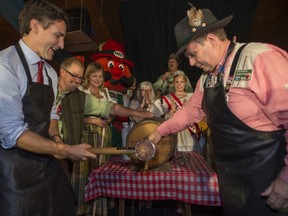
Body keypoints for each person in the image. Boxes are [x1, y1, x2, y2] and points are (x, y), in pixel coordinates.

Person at [148, 4, 288, 216]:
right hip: (231, 183)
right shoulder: (207, 78)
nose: (192, 63)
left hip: (269, 182)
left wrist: (286, 180)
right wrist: (159, 132)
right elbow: (189, 112)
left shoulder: (259, 58)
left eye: (193, 54)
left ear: (211, 40)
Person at [0, 1, 96, 216]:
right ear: (35, 26)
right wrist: (65, 150)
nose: (62, 45)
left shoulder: (51, 74)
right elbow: (12, 133)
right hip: (13, 170)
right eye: (57, 35)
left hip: (45, 163)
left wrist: (57, 138)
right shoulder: (5, 66)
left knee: (65, 203)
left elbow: (52, 114)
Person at [51, 57, 153, 216]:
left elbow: (110, 107)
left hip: (66, 149)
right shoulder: (48, 88)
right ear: (62, 72)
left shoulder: (79, 96)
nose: (77, 81)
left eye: (80, 77)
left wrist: (137, 113)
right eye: (74, 76)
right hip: (45, 150)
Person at [158, 73, 201, 152]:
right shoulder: (167, 98)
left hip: (189, 131)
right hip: (175, 132)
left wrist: (186, 110)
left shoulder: (191, 96)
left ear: (185, 83)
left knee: (192, 158)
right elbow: (165, 119)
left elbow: (197, 115)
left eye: (181, 82)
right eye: (177, 82)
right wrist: (172, 110)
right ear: (173, 83)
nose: (179, 84)